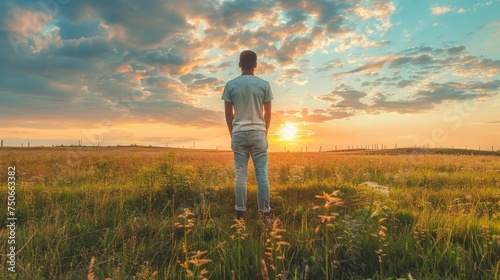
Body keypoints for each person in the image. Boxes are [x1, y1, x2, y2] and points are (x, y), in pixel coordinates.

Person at [221, 50, 273, 220]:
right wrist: (263, 133)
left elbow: (229, 114)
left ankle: (240, 216)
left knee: (241, 175)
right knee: (262, 175)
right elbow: (268, 114)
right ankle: (265, 214)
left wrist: (232, 133)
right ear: (256, 65)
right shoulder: (264, 85)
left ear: (239, 65)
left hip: (238, 133)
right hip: (258, 132)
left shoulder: (231, 85)